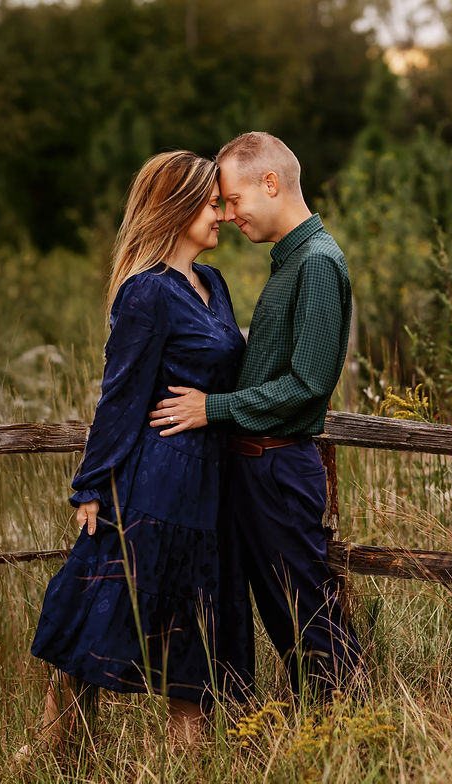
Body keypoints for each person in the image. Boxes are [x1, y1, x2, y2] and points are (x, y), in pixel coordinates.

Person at [27, 150, 253, 748]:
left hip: (207, 484)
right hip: (152, 482)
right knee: (103, 616)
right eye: (210, 203)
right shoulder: (146, 293)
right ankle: (53, 754)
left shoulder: (214, 284)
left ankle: (191, 761)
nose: (223, 216)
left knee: (192, 632)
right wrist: (92, 485)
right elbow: (121, 396)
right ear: (176, 208)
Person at [149, 131, 364, 700]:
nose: (229, 213)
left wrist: (211, 407)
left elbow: (308, 384)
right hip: (254, 467)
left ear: (270, 183)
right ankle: (300, 727)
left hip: (278, 468)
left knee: (305, 613)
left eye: (234, 199)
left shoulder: (317, 263)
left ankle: (353, 727)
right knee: (273, 616)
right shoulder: (291, 262)